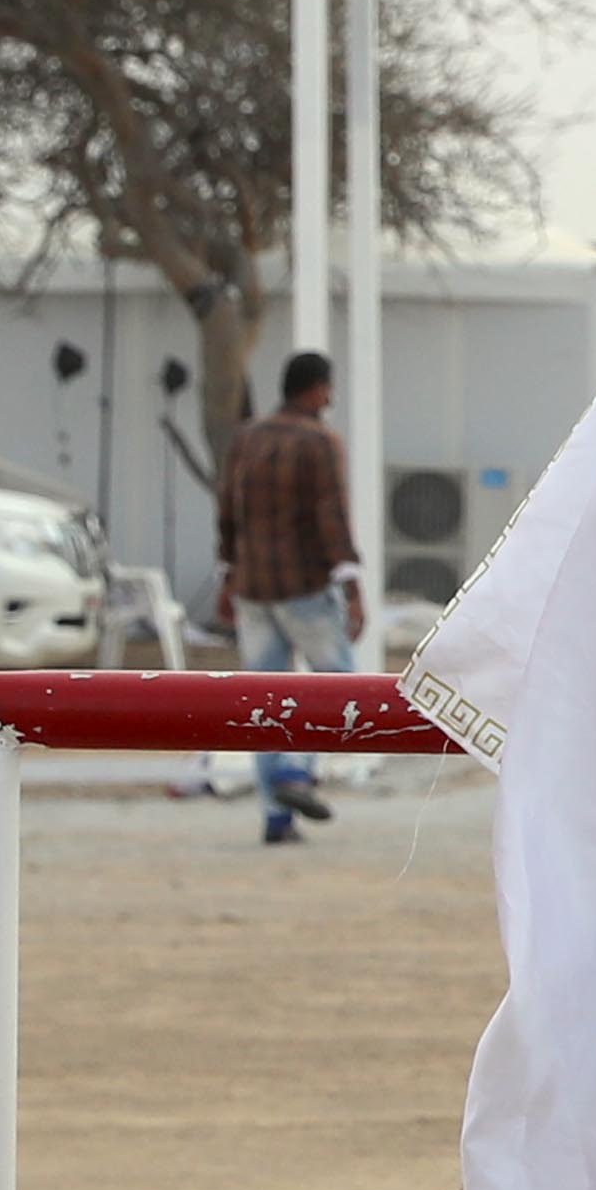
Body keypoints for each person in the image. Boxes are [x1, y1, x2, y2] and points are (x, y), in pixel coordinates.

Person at [213, 352, 361, 845]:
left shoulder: (247, 438)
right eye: (328, 389)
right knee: (336, 683)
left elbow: (227, 514)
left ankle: (275, 817)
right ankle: (296, 771)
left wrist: (228, 579)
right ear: (317, 389)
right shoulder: (320, 442)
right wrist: (353, 588)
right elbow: (332, 517)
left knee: (263, 700)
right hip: (305, 585)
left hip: (254, 587)